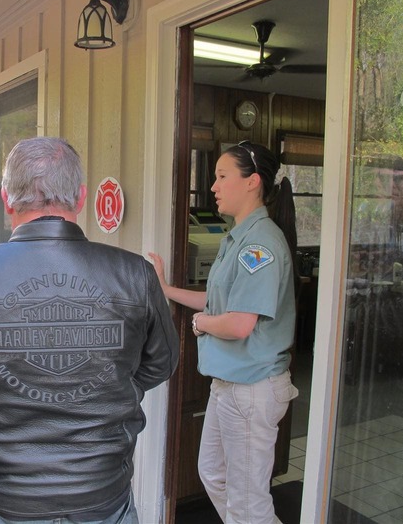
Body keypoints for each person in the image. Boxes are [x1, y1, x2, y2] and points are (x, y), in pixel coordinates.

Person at [0, 136, 180, 523]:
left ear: (7, 198)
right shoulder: (135, 275)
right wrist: (114, 385)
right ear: (81, 196)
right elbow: (161, 363)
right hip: (102, 494)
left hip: (10, 497)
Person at [148, 140, 299, 524]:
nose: (213, 187)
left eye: (221, 176)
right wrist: (166, 289)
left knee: (249, 503)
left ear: (252, 182)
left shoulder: (260, 244)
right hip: (229, 385)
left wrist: (199, 325)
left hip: (252, 389)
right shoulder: (237, 238)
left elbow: (238, 323)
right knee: (213, 473)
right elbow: (218, 304)